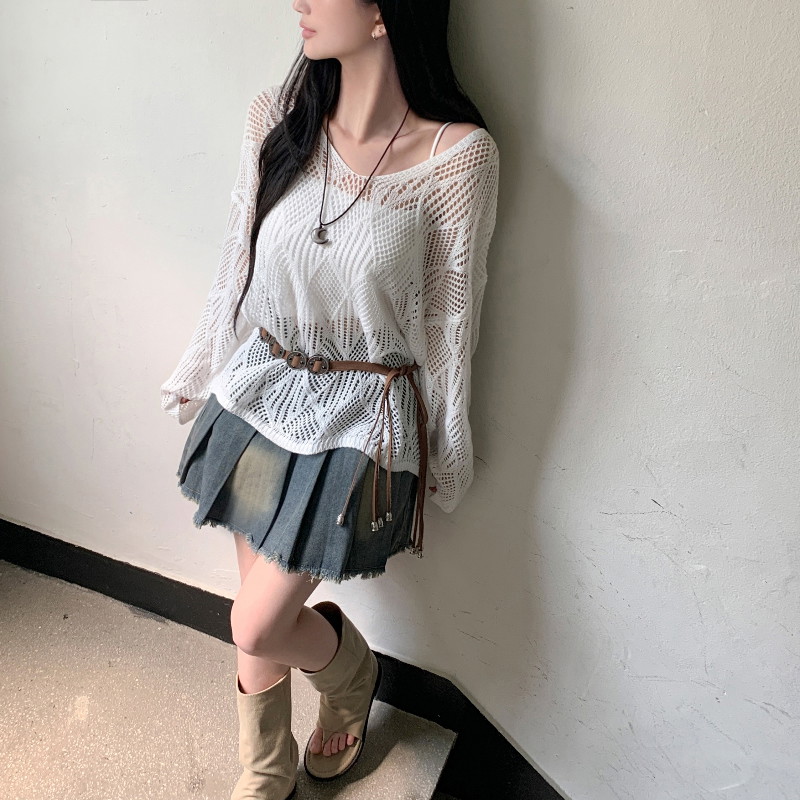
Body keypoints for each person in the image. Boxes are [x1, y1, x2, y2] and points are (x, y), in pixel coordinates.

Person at [160, 0, 499, 797]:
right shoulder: (277, 120)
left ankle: (351, 677)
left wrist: (446, 457)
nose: (299, 3)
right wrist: (201, 366)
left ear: (384, 11)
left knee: (256, 621)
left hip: (362, 417)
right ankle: (266, 770)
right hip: (261, 389)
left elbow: (451, 325)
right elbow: (235, 266)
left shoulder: (457, 159)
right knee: (259, 613)